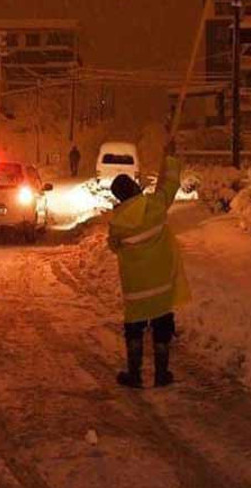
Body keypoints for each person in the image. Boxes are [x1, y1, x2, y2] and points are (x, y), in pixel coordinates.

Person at [106, 145, 190, 388]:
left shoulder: (118, 224)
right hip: (161, 285)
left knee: (134, 330)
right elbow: (170, 186)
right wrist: (171, 160)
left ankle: (135, 374)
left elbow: (114, 247)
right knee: (162, 327)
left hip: (136, 290)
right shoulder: (154, 206)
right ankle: (162, 374)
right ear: (134, 188)